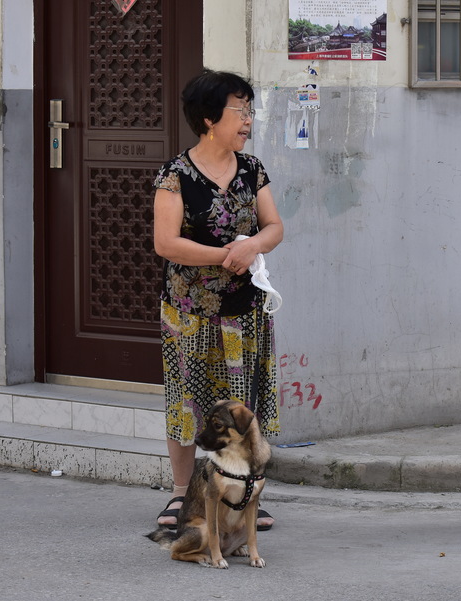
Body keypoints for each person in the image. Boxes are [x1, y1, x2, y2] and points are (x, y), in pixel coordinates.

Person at [152, 69, 283, 531]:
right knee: (188, 403)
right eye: (239, 111)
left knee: (241, 405)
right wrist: (227, 255)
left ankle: (246, 494)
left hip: (244, 312)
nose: (248, 120)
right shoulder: (175, 175)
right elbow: (165, 244)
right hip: (190, 314)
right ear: (209, 119)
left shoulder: (252, 169)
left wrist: (254, 246)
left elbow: (274, 227)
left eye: (250, 110)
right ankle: (181, 493)